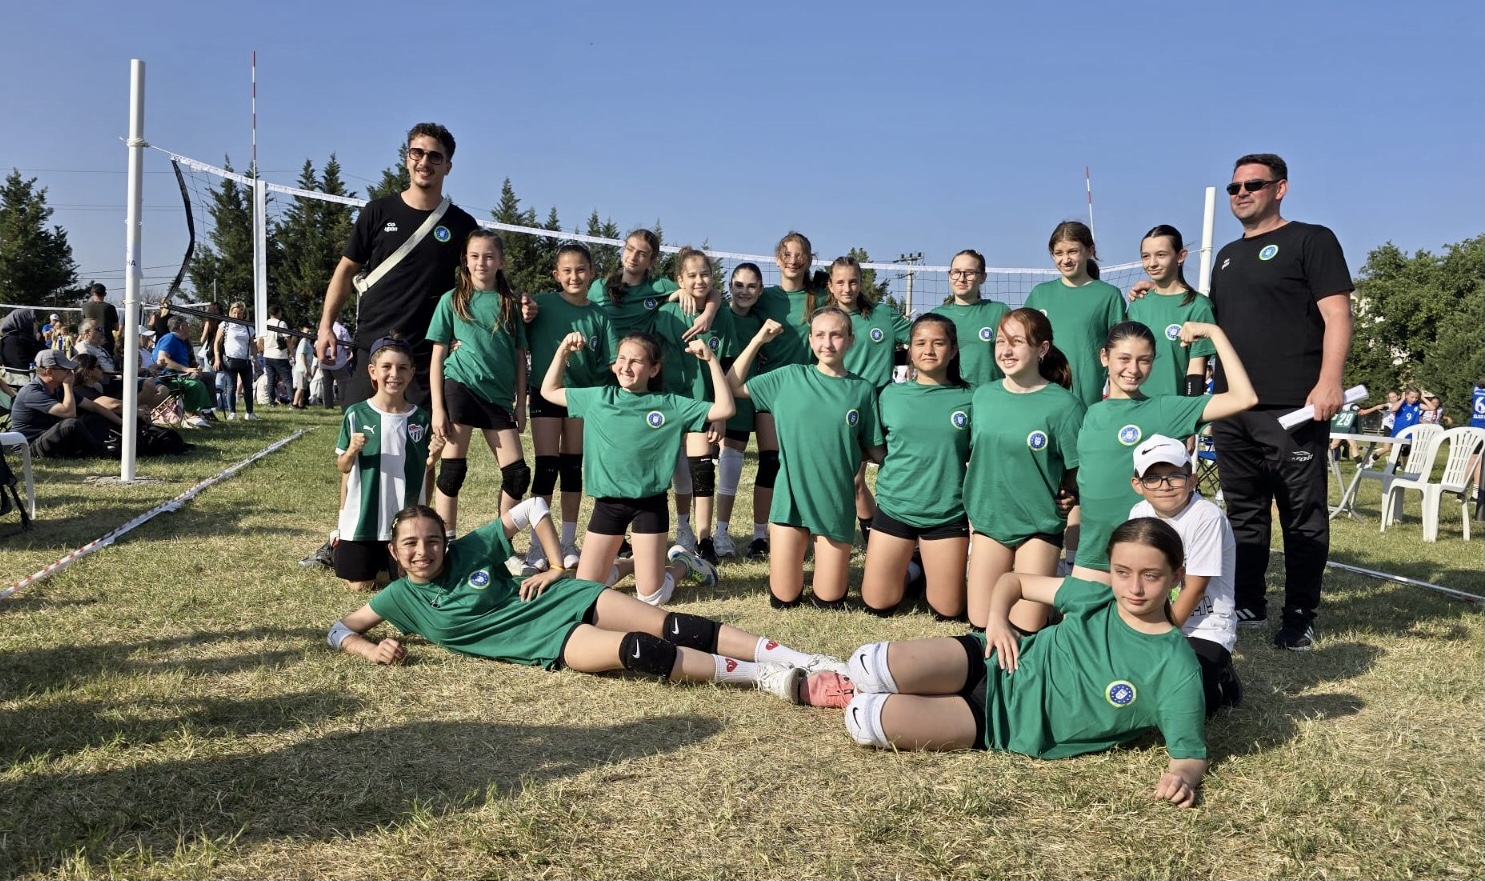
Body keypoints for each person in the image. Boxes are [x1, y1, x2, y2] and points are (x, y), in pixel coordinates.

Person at [807, 518, 1208, 808]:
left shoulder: (1176, 667)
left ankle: (843, 690)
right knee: (865, 661)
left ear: (1177, 577)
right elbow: (1013, 580)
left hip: (1001, 722)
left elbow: (1189, 753)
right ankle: (832, 673)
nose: (1134, 588)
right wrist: (997, 621)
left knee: (863, 719)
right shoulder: (1095, 597)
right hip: (990, 660)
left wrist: (1182, 778)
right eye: (1123, 572)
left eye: (1151, 576)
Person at [327, 502, 841, 706]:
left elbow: (531, 508)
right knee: (643, 651)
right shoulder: (398, 596)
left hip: (562, 597)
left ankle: (795, 657)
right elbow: (339, 628)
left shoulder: (471, 547)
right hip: (546, 642)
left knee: (676, 625)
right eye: (411, 545)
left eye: (432, 540)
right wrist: (368, 651)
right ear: (394, 553)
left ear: (446, 539)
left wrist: (554, 565)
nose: (424, 552)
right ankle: (764, 677)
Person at [1205, 153, 1354, 650]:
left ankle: (1300, 614)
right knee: (1244, 510)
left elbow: (1337, 315)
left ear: (1280, 187)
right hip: (1233, 406)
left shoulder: (1311, 239)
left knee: (1300, 512)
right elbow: (1216, 324)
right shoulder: (1226, 255)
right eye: (1233, 187)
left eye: (1252, 184)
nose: (1241, 193)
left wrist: (1329, 381)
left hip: (1294, 404)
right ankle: (1249, 600)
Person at [542, 331, 728, 606]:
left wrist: (711, 360)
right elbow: (549, 391)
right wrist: (563, 352)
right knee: (584, 594)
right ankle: (632, 564)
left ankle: (685, 565)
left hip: (649, 506)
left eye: (636, 361)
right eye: (621, 359)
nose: (626, 366)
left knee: (651, 598)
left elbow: (725, 408)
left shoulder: (670, 405)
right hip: (607, 506)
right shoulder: (598, 398)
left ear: (653, 369)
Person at [1072, 321, 1256, 583]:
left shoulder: (1163, 409)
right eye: (1124, 358)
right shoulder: (1091, 413)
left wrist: (1216, 334)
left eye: (1144, 360)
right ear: (1105, 357)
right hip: (1092, 556)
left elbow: (1244, 398)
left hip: (1141, 556)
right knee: (1076, 623)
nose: (1133, 369)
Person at [726, 308, 885, 609]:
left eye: (836, 335)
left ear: (850, 340)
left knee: (828, 600)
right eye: (821, 335)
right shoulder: (789, 377)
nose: (828, 343)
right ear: (811, 339)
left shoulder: (862, 390)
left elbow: (876, 450)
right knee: (784, 600)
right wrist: (759, 339)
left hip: (835, 502)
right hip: (791, 498)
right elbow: (732, 385)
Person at [315, 122, 481, 408]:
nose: (424, 162)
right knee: (358, 442)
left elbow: (478, 285)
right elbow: (345, 272)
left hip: (424, 357)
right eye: (417, 153)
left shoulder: (462, 224)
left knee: (420, 448)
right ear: (407, 158)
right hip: (372, 347)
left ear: (448, 167)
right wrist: (325, 327)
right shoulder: (377, 212)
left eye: (435, 156)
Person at [964, 308, 1084, 632]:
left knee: (1024, 630)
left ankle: (1050, 613)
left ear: (1042, 349)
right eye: (1001, 341)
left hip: (1038, 524)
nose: (1006, 350)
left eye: (1017, 342)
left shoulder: (1065, 406)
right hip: (990, 522)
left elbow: (1079, 465)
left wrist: (1070, 492)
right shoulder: (983, 396)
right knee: (981, 624)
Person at [860, 314, 973, 620]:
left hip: (946, 512)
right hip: (896, 507)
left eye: (938, 343)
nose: (929, 350)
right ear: (909, 349)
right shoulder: (890, 395)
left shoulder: (971, 397)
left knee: (947, 611)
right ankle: (912, 570)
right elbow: (876, 446)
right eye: (920, 343)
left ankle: (925, 567)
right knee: (878, 604)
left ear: (953, 350)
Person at [427, 229, 529, 540]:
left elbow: (519, 358)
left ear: (500, 261)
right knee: (453, 471)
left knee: (517, 475)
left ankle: (501, 542)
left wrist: (521, 404)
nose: (481, 262)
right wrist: (437, 409)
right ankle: (448, 542)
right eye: (475, 256)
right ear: (465, 262)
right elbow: (437, 357)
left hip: (498, 398)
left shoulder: (510, 304)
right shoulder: (453, 300)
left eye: (488, 256)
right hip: (460, 387)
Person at [1127, 435, 1241, 715]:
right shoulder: (1138, 513)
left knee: (1188, 704)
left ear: (1192, 480)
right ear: (1138, 485)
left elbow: (1195, 588)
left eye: (1175, 476)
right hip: (1156, 620)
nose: (1164, 486)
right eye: (1153, 478)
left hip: (1204, 626)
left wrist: (1157, 637)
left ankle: (1221, 677)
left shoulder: (1207, 516)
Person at [525, 242, 618, 571]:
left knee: (572, 468)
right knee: (547, 466)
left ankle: (567, 540)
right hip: (545, 393)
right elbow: (513, 322)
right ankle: (538, 543)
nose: (574, 276)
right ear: (556, 275)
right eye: (567, 270)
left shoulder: (599, 315)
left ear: (592, 274)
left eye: (581, 270)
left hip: (581, 397)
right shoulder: (542, 306)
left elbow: (612, 363)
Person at [335, 336, 444, 592]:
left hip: (403, 520)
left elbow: (423, 470)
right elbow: (343, 466)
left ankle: (390, 557)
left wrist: (434, 457)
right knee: (360, 586)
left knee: (410, 581)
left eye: (402, 367)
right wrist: (352, 450)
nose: (394, 374)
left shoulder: (419, 418)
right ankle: (338, 545)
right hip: (364, 520)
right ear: (373, 371)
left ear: (412, 373)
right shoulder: (356, 414)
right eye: (386, 367)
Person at [744, 231, 828, 560]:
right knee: (770, 463)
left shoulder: (819, 297)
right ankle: (760, 534)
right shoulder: (765, 297)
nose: (793, 259)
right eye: (787, 253)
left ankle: (806, 529)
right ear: (778, 259)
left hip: (808, 392)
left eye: (800, 254)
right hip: (770, 388)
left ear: (808, 259)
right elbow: (732, 310)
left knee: (805, 465)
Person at [650, 247, 732, 558]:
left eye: (705, 274)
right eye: (692, 276)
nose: (700, 280)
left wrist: (720, 413)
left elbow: (727, 364)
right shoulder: (665, 314)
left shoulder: (721, 314)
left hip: (704, 402)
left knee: (702, 470)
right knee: (677, 469)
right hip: (670, 402)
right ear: (679, 280)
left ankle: (704, 538)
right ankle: (682, 527)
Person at [829, 254, 911, 544]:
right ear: (830, 285)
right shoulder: (826, 321)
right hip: (844, 405)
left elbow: (923, 335)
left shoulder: (883, 315)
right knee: (852, 479)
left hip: (883, 405)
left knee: (894, 473)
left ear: (861, 282)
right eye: (840, 282)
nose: (847, 288)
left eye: (853, 281)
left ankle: (899, 535)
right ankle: (873, 538)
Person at [1023, 221, 1127, 408]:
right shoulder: (1040, 294)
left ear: (1089, 251)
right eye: (1059, 253)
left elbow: (1120, 350)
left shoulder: (1109, 295)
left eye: (1072, 251)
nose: (1066, 259)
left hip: (1086, 396)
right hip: (1042, 392)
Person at [710, 262, 770, 560]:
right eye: (738, 284)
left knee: (736, 463)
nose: (744, 291)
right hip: (714, 398)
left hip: (745, 400)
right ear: (729, 287)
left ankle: (733, 532)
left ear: (760, 291)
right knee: (709, 465)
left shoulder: (762, 322)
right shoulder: (717, 314)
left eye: (751, 286)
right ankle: (709, 533)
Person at [1127, 226, 1217, 398]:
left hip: (1173, 410)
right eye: (1146, 256)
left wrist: (1190, 412)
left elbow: (1196, 368)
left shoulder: (1198, 306)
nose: (1152, 263)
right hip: (1135, 408)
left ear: (1181, 256)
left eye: (1161, 255)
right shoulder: (1138, 303)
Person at [929, 249, 1010, 388]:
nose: (961, 278)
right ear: (949, 276)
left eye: (969, 273)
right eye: (956, 272)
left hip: (989, 396)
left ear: (983, 277)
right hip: (950, 394)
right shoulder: (936, 316)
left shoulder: (998, 311)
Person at [8, 349, 109, 458]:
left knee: (95, 418)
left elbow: (94, 406)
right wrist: (68, 386)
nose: (71, 373)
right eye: (65, 369)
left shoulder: (57, 389)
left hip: (51, 438)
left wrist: (121, 423)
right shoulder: (32, 392)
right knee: (70, 424)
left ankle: (93, 451)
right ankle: (100, 454)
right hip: (29, 446)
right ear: (49, 372)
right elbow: (69, 413)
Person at [153, 316, 219, 429]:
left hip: (180, 374)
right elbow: (162, 359)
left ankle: (205, 411)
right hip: (168, 377)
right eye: (187, 325)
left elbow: (186, 361)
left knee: (209, 377)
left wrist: (194, 367)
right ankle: (191, 415)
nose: (189, 327)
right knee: (195, 383)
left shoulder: (181, 341)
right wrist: (187, 370)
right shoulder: (170, 338)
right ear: (182, 327)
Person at [213, 301, 260, 421]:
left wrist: (256, 359)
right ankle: (232, 412)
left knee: (248, 387)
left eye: (239, 313)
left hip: (245, 360)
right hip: (230, 359)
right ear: (231, 312)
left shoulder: (248, 327)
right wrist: (217, 359)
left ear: (243, 314)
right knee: (231, 386)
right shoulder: (225, 324)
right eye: (234, 313)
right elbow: (217, 343)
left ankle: (249, 412)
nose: (236, 315)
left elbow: (252, 345)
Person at [261, 303, 293, 407]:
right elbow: (287, 339)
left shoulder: (264, 324)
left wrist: (263, 351)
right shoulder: (281, 323)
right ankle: (292, 401)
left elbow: (260, 340)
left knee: (271, 379)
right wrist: (292, 353)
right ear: (278, 312)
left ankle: (271, 402)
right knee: (287, 379)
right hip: (280, 355)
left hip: (267, 354)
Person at [79, 283, 120, 359]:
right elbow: (116, 327)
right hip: (106, 341)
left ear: (92, 293)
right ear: (104, 294)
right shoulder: (110, 307)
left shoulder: (85, 306)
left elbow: (83, 324)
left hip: (88, 340)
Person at [1, 309, 44, 377]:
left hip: (41, 378)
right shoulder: (11, 341)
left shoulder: (27, 339)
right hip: (27, 383)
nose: (37, 323)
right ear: (23, 321)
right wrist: (47, 372)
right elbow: (21, 366)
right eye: (34, 320)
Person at [292, 323, 315, 409]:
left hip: (305, 367)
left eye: (310, 332)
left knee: (303, 387)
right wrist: (306, 368)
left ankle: (301, 404)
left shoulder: (307, 342)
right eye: (307, 332)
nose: (309, 334)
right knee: (300, 388)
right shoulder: (304, 342)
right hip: (301, 368)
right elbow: (302, 355)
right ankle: (294, 404)